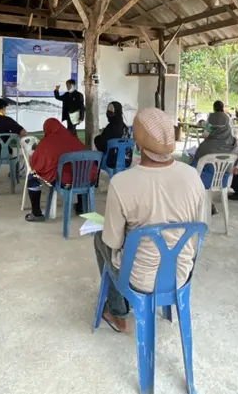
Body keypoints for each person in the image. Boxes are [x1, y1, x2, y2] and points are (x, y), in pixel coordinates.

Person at [94, 108, 206, 333]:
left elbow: (113, 241)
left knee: (100, 238)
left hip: (139, 280)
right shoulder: (192, 176)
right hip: (180, 274)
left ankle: (118, 312)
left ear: (137, 142)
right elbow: (197, 235)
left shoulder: (122, 182)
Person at [24, 118, 93, 222]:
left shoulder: (46, 142)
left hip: (64, 183)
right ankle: (81, 207)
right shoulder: (73, 138)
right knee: (80, 169)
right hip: (86, 180)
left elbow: (37, 162)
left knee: (32, 176)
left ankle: (36, 213)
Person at [94, 101, 132, 170]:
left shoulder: (111, 128)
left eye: (111, 110)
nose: (108, 112)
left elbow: (103, 145)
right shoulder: (124, 127)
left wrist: (97, 139)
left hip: (111, 162)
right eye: (108, 109)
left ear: (117, 111)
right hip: (126, 161)